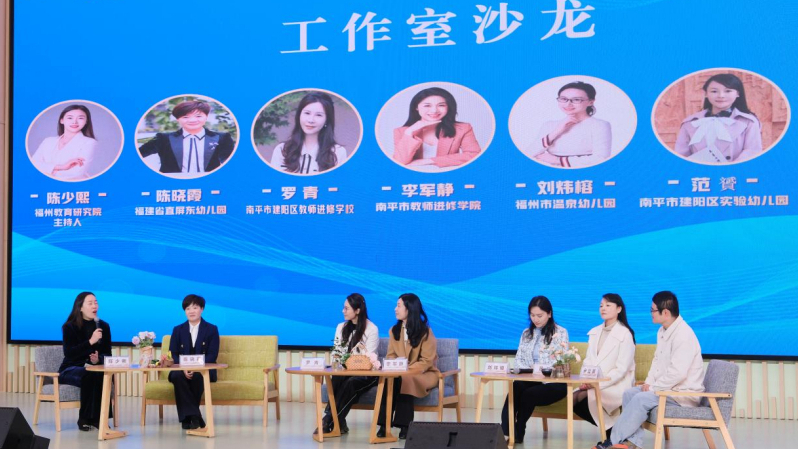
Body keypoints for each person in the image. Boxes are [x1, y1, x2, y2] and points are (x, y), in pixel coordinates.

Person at [593, 291, 705, 449]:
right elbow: (657, 361)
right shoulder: (663, 330)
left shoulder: (684, 335)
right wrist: (649, 383)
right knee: (629, 393)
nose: (650, 313)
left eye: (653, 310)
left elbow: (677, 373)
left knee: (641, 398)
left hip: (682, 394)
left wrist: (653, 388)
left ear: (665, 313)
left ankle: (612, 441)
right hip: (667, 389)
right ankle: (632, 442)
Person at [501, 296, 569, 442]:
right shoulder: (526, 333)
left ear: (549, 314)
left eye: (539, 315)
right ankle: (505, 431)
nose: (536, 319)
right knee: (516, 387)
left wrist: (542, 370)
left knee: (529, 394)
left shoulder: (561, 332)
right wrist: (529, 371)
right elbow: (519, 359)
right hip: (531, 378)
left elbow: (560, 360)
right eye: (532, 315)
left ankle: (518, 431)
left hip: (553, 381)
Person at [377, 293, 439, 440]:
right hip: (401, 373)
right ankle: (384, 425)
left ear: (409, 309)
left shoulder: (425, 332)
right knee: (389, 379)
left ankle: (404, 426)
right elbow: (391, 355)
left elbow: (427, 361)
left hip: (424, 374)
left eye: (398, 306)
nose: (395, 309)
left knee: (406, 379)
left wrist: (406, 370)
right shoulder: (394, 331)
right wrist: (395, 366)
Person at [573, 294, 636, 436]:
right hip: (594, 382)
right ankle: (613, 432)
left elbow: (621, 369)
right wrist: (586, 380)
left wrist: (597, 384)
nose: (603, 308)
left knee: (585, 398)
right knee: (573, 398)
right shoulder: (595, 332)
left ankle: (612, 434)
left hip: (616, 383)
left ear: (619, 309)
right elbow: (588, 360)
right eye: (601, 305)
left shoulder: (625, 334)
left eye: (608, 305)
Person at [318, 293, 379, 434]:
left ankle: (328, 420)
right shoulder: (341, 327)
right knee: (337, 377)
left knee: (351, 382)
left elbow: (367, 358)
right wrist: (338, 361)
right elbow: (336, 352)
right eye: (343, 308)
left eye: (346, 308)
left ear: (357, 310)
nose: (343, 311)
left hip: (366, 374)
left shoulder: (372, 329)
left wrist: (348, 360)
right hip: (345, 371)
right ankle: (337, 422)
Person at [674, 73, 762, 163]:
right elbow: (681, 154)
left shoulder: (748, 121)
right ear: (706, 94)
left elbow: (752, 151)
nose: (721, 95)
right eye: (714, 91)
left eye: (728, 91)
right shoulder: (691, 123)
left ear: (737, 94)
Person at [59, 291, 112, 431]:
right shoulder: (69, 327)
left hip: (94, 368)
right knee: (89, 375)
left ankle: (100, 419)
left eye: (96, 302)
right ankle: (85, 418)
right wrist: (90, 342)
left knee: (103, 375)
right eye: (90, 303)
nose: (95, 306)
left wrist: (98, 359)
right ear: (80, 307)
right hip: (70, 368)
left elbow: (108, 354)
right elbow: (69, 354)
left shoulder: (104, 326)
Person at [392, 87, 481, 169]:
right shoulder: (402, 132)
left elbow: (474, 154)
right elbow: (399, 162)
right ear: (416, 107)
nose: (434, 110)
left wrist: (429, 161)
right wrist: (410, 132)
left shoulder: (463, 128)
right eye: (427, 105)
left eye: (441, 105)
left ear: (448, 107)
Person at [138, 100, 235, 175]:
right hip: (173, 185)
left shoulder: (221, 138)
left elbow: (231, 164)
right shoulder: (163, 138)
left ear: (206, 117)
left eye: (198, 116)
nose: (192, 120)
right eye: (185, 117)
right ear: (177, 119)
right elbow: (137, 154)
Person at [167, 294, 220, 430]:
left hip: (204, 369)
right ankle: (196, 416)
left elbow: (212, 355)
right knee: (177, 376)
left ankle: (187, 418)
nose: (191, 311)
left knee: (197, 376)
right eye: (188, 308)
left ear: (202, 309)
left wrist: (195, 367)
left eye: (195, 307)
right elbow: (173, 353)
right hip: (181, 369)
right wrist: (183, 368)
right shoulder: (177, 330)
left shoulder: (212, 329)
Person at [529, 81, 612, 168]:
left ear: (590, 102)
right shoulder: (549, 125)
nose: (568, 104)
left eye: (576, 100)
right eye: (563, 99)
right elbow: (529, 153)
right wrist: (557, 130)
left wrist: (557, 160)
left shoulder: (600, 125)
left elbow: (601, 158)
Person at [270, 91, 348, 174]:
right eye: (307, 113)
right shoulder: (282, 150)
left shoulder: (338, 153)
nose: (311, 120)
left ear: (327, 120)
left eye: (318, 115)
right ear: (299, 115)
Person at [31, 105, 97, 180]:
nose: (74, 122)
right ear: (61, 120)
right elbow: (34, 164)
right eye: (70, 118)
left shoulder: (89, 142)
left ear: (86, 121)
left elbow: (77, 172)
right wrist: (62, 167)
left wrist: (49, 171)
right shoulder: (48, 141)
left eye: (80, 118)